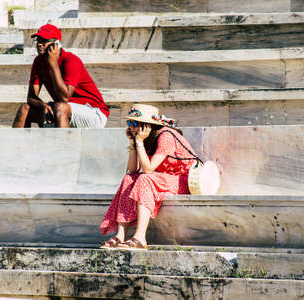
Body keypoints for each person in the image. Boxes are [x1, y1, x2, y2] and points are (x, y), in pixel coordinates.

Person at [99, 104, 198, 250]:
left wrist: (139, 142)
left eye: (134, 123)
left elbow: (148, 169)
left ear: (148, 125)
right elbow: (133, 169)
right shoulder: (146, 137)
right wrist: (133, 143)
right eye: (129, 123)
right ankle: (120, 235)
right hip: (161, 178)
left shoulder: (166, 136)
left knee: (145, 179)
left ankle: (140, 237)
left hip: (181, 180)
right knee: (129, 179)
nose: (130, 127)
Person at [12, 24, 109, 128]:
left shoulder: (71, 60)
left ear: (56, 44)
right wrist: (43, 105)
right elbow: (31, 97)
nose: (40, 44)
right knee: (24, 109)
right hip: (64, 109)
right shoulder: (38, 62)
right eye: (38, 40)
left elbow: (64, 97)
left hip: (94, 112)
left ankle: (64, 144)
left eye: (44, 41)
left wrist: (53, 65)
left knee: (60, 107)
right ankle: (18, 144)